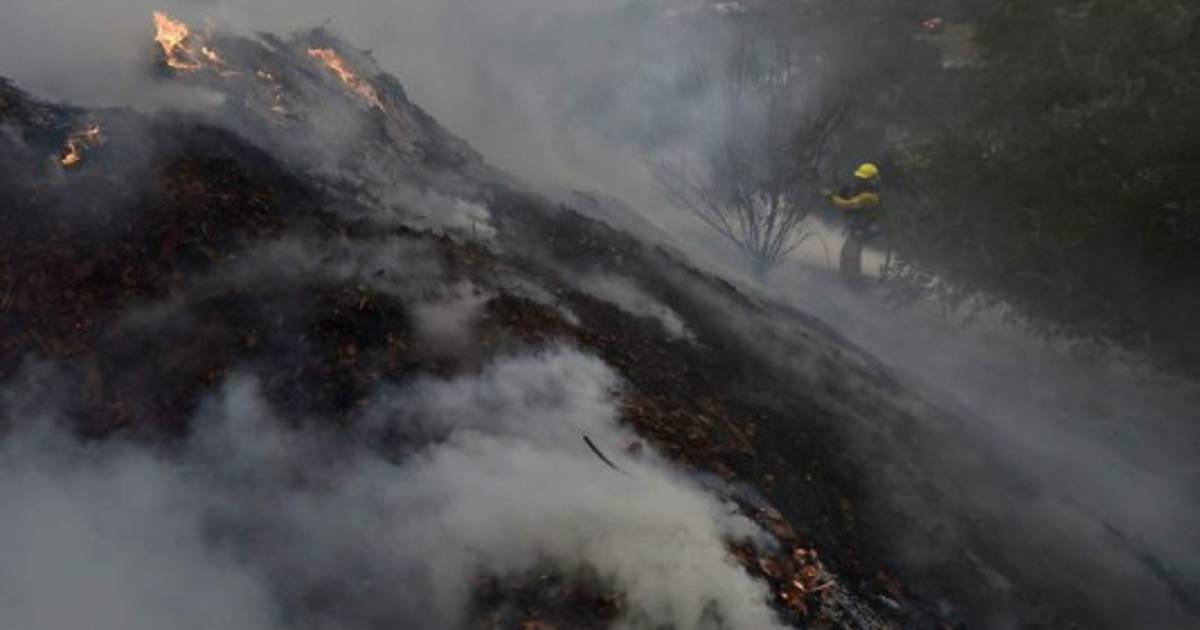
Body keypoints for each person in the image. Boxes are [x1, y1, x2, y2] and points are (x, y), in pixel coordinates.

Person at [823, 163, 882, 285]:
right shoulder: (862, 192)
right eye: (859, 178)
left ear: (871, 181)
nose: (859, 181)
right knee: (846, 254)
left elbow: (847, 205)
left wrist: (831, 197)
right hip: (857, 231)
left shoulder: (869, 197)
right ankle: (848, 283)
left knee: (851, 257)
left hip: (861, 232)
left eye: (862, 180)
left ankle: (852, 286)